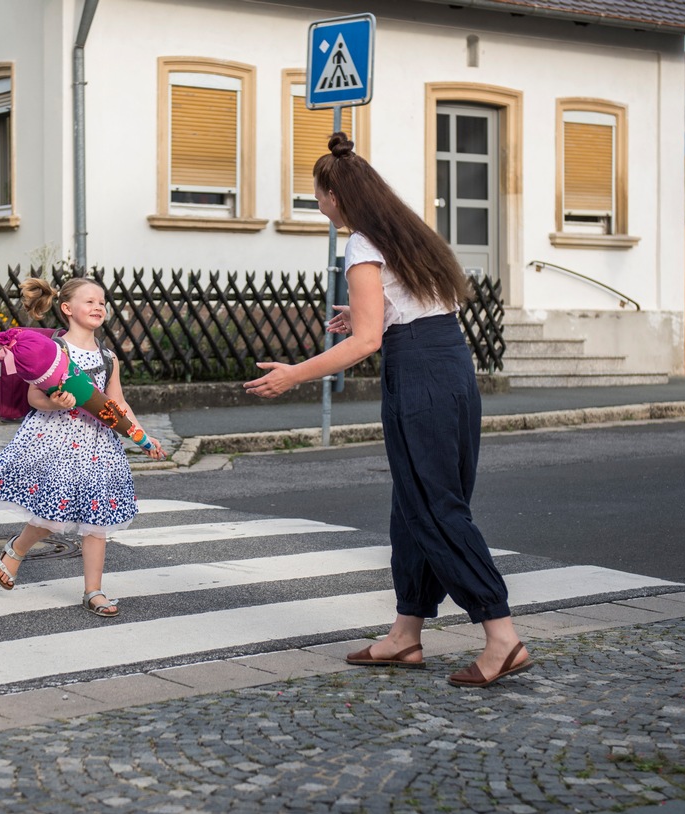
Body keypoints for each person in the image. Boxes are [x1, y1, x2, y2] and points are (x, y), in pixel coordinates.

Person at [244, 132, 534, 688]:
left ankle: (501, 636)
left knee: (435, 506)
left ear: (336, 195)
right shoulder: (406, 232)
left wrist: (292, 375)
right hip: (449, 364)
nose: (320, 205)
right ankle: (406, 634)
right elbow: (413, 311)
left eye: (319, 196)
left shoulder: (359, 245)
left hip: (418, 375)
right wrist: (362, 316)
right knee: (414, 506)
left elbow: (368, 343)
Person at [0, 277, 165, 618]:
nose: (98, 307)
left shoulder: (109, 358)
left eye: (102, 302)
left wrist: (142, 435)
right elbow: (36, 397)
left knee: (98, 520)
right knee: (51, 514)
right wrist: (58, 403)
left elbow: (116, 402)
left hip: (98, 446)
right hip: (58, 441)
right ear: (66, 309)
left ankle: (93, 590)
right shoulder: (55, 351)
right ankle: (16, 550)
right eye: (89, 301)